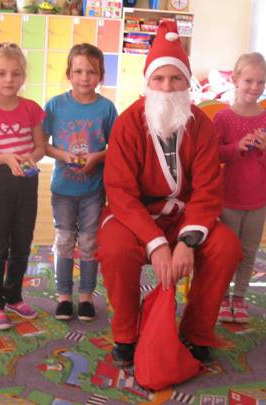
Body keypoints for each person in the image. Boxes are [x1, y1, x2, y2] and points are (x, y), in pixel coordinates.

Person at [97, 21, 242, 368]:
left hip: (186, 219)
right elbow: (120, 191)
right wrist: (157, 244)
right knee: (114, 249)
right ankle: (126, 334)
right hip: (136, 217)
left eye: (176, 78)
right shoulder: (128, 123)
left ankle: (196, 332)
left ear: (187, 82)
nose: (167, 87)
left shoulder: (201, 125)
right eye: (159, 79)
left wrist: (187, 242)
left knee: (226, 247)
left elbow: (208, 189)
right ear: (148, 82)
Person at [0, 43, 46, 330]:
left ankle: (14, 296)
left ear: (23, 77)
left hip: (27, 182)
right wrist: (5, 158)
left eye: (16, 74)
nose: (9, 79)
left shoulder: (31, 109)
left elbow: (40, 147)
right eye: (2, 73)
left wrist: (30, 157)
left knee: (22, 243)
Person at [43, 43, 118, 322]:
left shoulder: (106, 108)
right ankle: (63, 296)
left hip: (93, 190)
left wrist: (97, 157)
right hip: (63, 188)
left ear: (101, 76)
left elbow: (117, 148)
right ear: (68, 74)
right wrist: (64, 155)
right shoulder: (55, 106)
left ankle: (86, 296)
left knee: (88, 242)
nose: (84, 78)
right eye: (78, 71)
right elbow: (43, 145)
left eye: (91, 72)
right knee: (64, 240)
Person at [213, 52, 266, 324]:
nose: (255, 87)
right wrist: (236, 147)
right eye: (249, 81)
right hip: (229, 197)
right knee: (226, 251)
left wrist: (265, 149)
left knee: (249, 250)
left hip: (258, 199)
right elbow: (214, 154)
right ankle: (221, 296)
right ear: (235, 79)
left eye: (261, 82)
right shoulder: (222, 118)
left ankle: (239, 297)